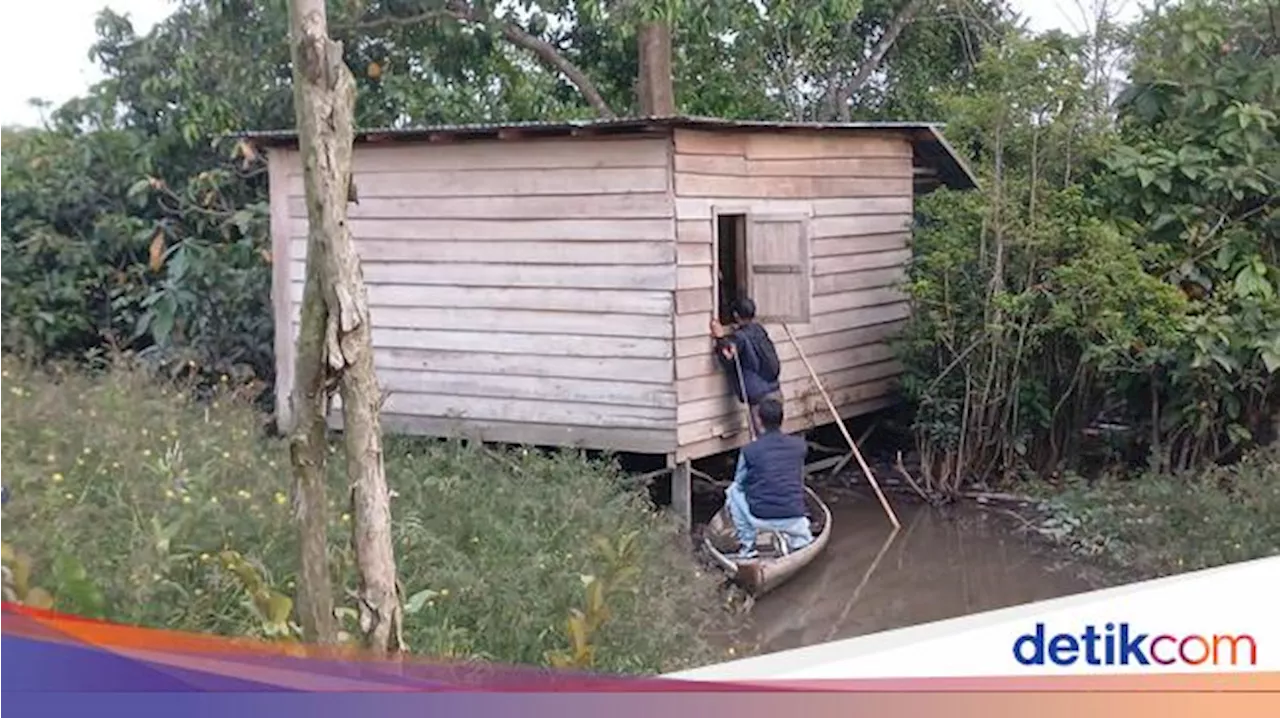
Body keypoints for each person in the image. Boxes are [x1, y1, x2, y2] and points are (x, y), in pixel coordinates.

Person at [724, 397, 813, 560]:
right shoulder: (799, 446)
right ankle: (800, 542)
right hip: (794, 516)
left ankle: (748, 547)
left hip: (761, 517)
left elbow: (739, 483)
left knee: (732, 491)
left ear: (759, 421)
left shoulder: (749, 450)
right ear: (782, 419)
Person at [710, 297, 782, 435]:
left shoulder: (739, 338)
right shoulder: (760, 330)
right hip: (775, 390)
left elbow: (728, 357)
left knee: (763, 438)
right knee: (775, 434)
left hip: (759, 398)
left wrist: (719, 338)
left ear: (736, 315)